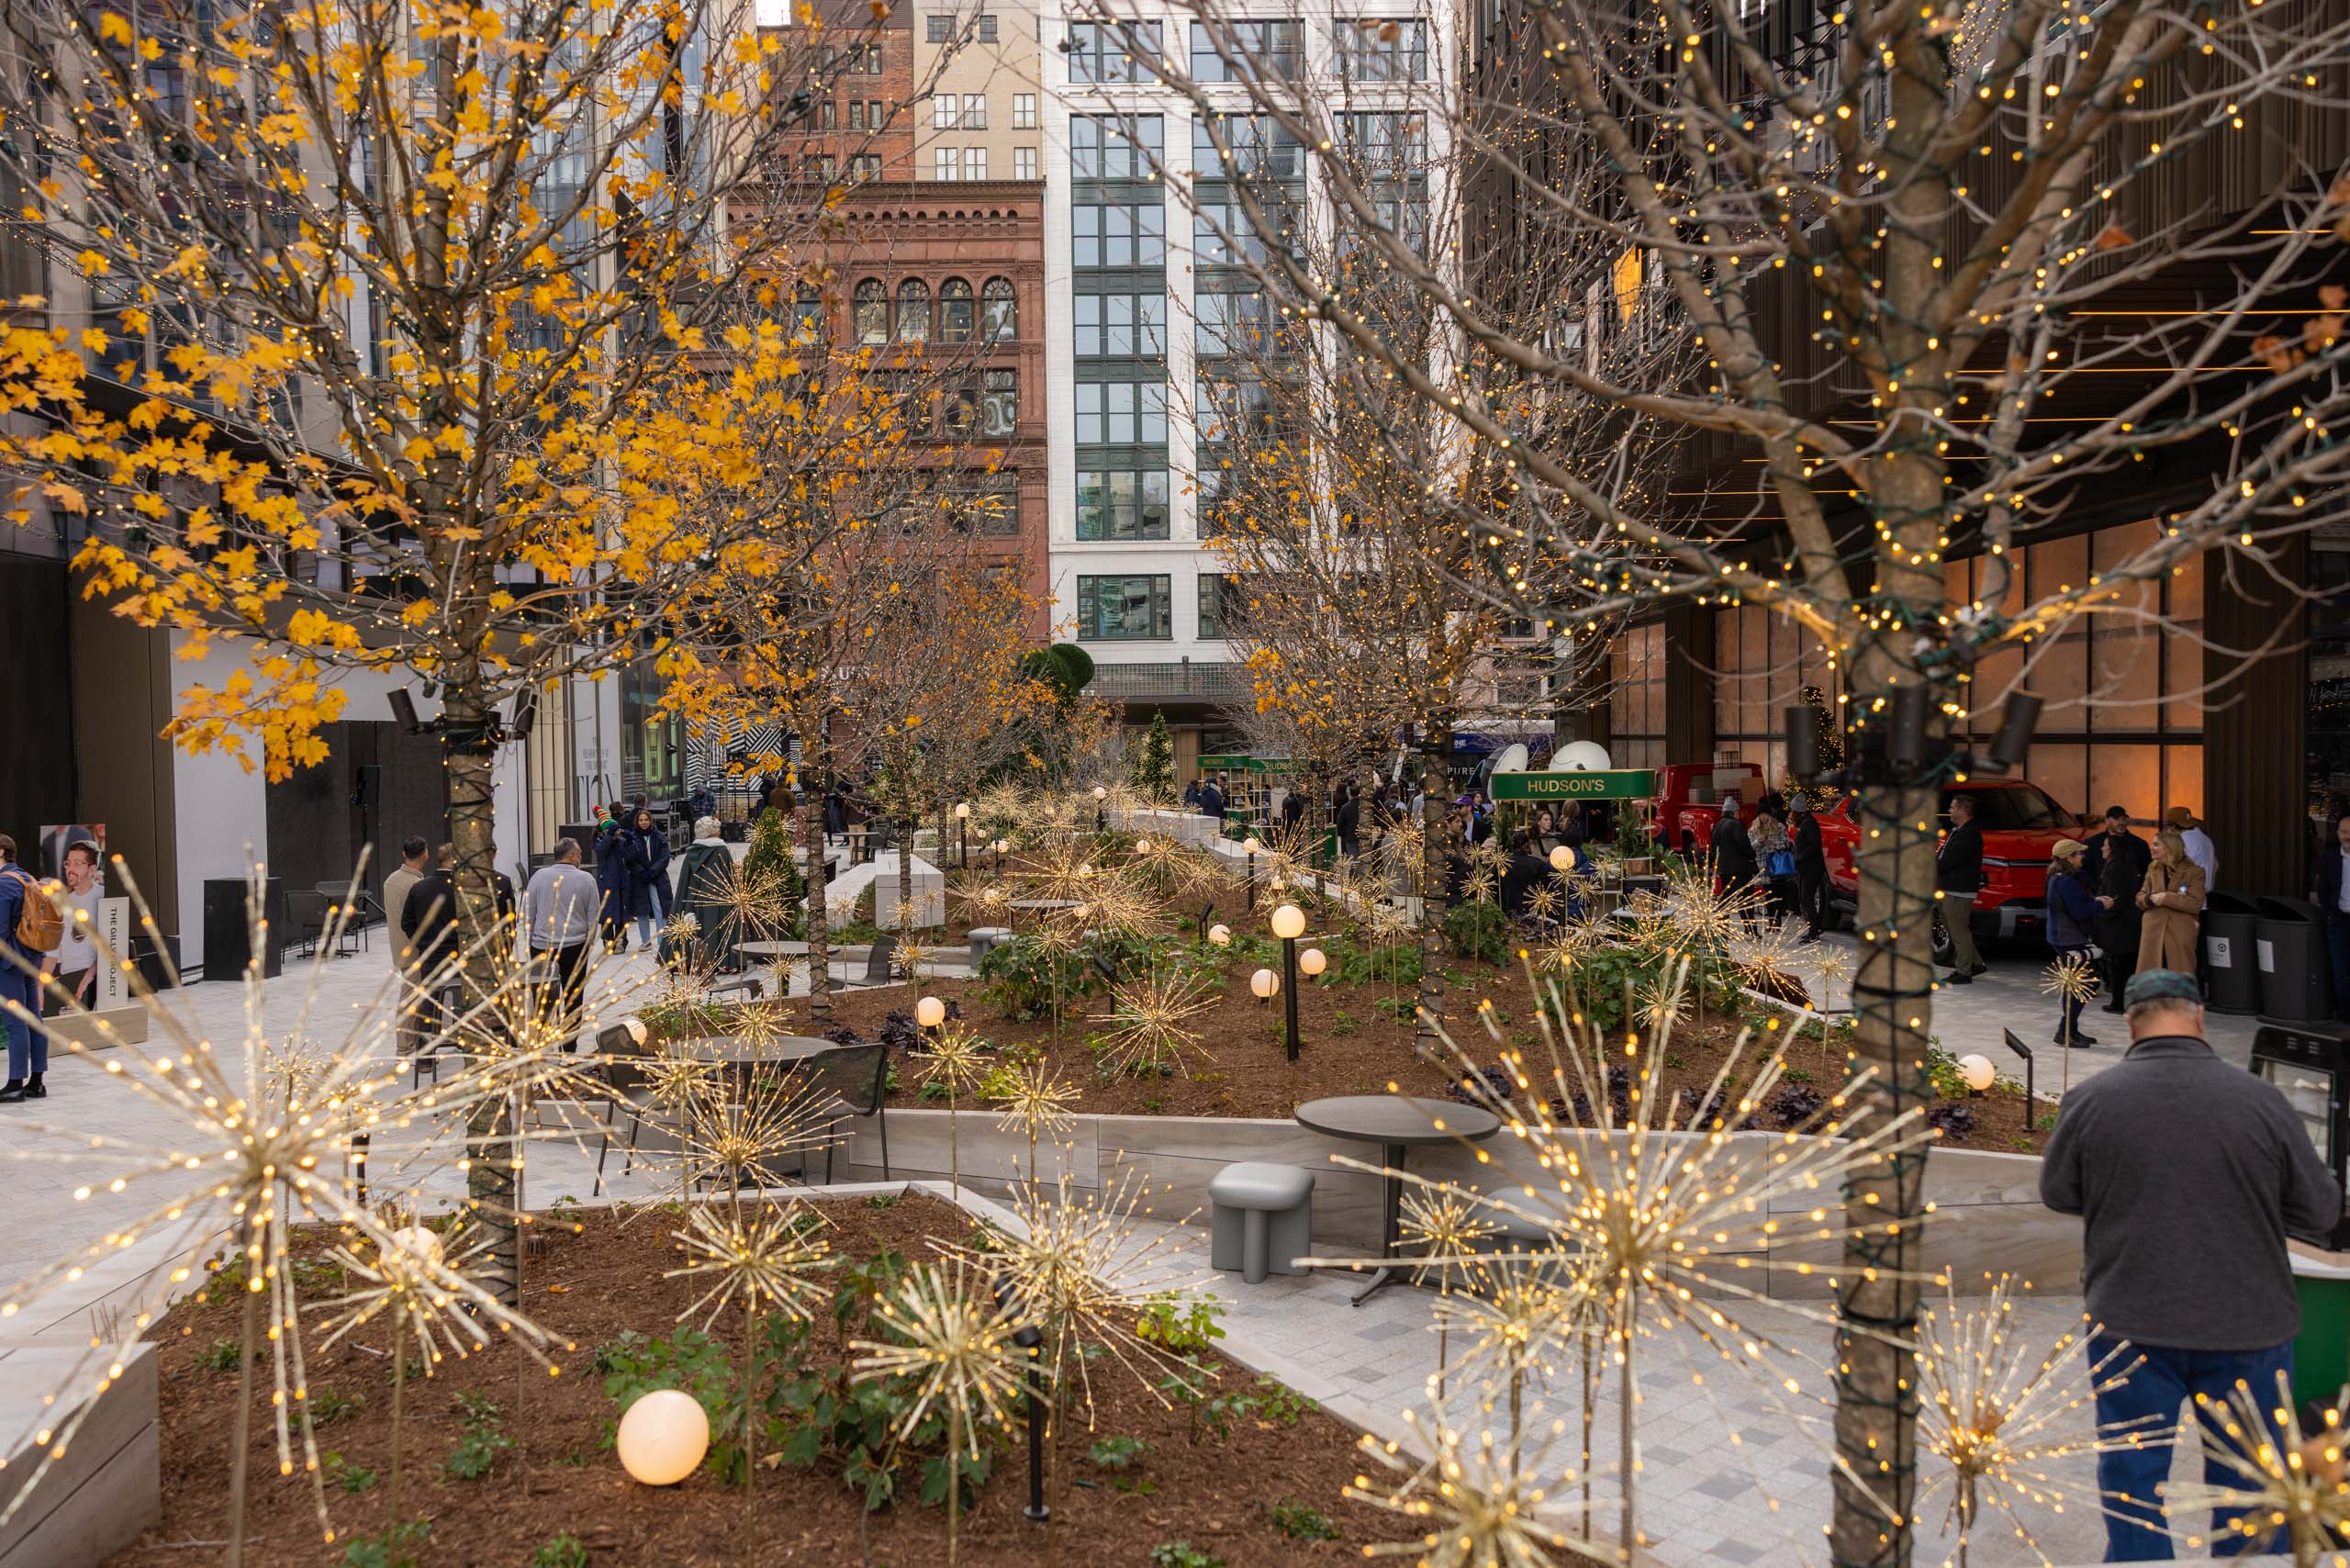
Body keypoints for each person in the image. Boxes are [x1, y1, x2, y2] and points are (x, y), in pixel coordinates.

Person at [2042, 969, 2342, 1562]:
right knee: (2252, 1486)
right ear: (2199, 1016)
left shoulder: (2092, 1100)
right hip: (2247, 1325)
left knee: (2133, 1483)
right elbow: (2321, 1209)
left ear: (2131, 1024)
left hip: (2129, 1322)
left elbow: (2059, 1192)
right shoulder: (2263, 1101)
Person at [402, 844, 517, 1033]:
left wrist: (423, 941)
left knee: (429, 1004)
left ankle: (424, 1057)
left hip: (432, 955)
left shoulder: (419, 888)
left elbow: (406, 922)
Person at [522, 838, 599, 1034]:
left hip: (542, 945)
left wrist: (529, 939)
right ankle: (569, 1044)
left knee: (542, 997)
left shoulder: (538, 877)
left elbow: (528, 912)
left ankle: (543, 1038)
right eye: (579, 853)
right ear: (572, 855)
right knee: (573, 997)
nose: (581, 857)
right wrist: (588, 944)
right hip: (575, 945)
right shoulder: (586, 879)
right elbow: (593, 916)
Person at [0, 835, 55, 1103]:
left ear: (1, 852)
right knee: (34, 1020)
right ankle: (37, 1082)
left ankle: (14, 1084)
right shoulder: (27, 878)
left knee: (15, 1024)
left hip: (9, 962)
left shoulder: (3, 883)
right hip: (31, 959)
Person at [2044, 838, 2110, 1046]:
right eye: (2078, 854)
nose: (2082, 857)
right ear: (2068, 857)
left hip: (2061, 936)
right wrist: (2101, 906)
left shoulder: (2056, 877)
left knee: (2078, 984)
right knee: (2082, 985)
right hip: (2070, 938)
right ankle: (2065, 1032)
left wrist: (2094, 902)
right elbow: (2079, 911)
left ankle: (2070, 1030)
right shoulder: (2068, 881)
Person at [39, 840, 105, 1013]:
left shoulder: (103, 897)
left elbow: (111, 945)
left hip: (93, 975)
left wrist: (89, 977)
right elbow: (53, 952)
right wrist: (39, 987)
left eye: (77, 864)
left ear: (92, 869)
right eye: (68, 863)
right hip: (66, 976)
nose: (70, 869)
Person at [2095, 814, 2148, 1015]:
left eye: (2105, 846)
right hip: (2127, 925)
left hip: (2120, 926)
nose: (2102, 848)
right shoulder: (2124, 867)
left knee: (2120, 966)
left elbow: (2115, 900)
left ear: (2112, 849)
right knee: (2124, 965)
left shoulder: (2116, 869)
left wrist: (2101, 913)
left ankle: (2119, 1002)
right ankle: (2123, 1001)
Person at [382, 835, 431, 1055]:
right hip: (415, 951)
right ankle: (404, 1047)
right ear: (425, 854)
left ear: (404, 854)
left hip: (399, 948)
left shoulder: (391, 880)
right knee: (411, 997)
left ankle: (410, 1043)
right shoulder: (417, 886)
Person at [2136, 826, 2207, 976]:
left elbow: (2195, 904)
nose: (2151, 847)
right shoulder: (2153, 869)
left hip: (2179, 932)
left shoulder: (2195, 872)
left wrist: (2165, 898)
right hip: (2153, 933)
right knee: (2151, 980)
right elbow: (2140, 898)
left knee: (2179, 978)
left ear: (2170, 849)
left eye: (2156, 844)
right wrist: (2149, 898)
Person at [1936, 792, 1987, 985]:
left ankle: (1963, 971)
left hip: (1959, 890)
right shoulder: (1959, 830)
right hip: (1950, 887)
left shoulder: (1969, 834)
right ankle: (1975, 963)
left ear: (1963, 810)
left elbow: (1950, 861)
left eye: (1952, 807)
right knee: (1954, 928)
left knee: (1959, 931)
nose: (1949, 810)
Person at [2315, 812, 2350, 1025]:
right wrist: (2329, 914)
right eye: (2344, 832)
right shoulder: (2331, 857)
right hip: (2339, 923)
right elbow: (2323, 890)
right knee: (2341, 972)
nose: (2348, 836)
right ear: (2337, 834)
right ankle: (2345, 1018)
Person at [622, 806, 672, 949]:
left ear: (651, 821)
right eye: (641, 820)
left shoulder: (659, 837)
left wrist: (652, 872)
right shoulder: (633, 838)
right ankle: (645, 941)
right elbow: (629, 859)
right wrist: (641, 872)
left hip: (657, 877)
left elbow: (664, 858)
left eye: (646, 820)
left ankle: (662, 941)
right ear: (637, 822)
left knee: (660, 909)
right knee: (642, 910)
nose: (643, 822)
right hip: (640, 879)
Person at [596, 801, 639, 950]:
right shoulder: (600, 841)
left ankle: (621, 941)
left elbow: (632, 856)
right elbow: (602, 852)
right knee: (607, 914)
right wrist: (609, 836)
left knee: (621, 914)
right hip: (606, 883)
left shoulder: (621, 842)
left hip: (621, 883)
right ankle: (608, 941)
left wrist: (630, 839)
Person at [1789, 795, 1829, 940]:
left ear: (1799, 812)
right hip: (1806, 867)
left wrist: (1800, 857)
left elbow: (1814, 844)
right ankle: (1814, 928)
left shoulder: (1808, 824)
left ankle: (1814, 931)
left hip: (1811, 868)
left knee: (1807, 898)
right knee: (1805, 898)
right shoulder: (1804, 824)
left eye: (1793, 811)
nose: (1791, 814)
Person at [1750, 808, 1796, 919]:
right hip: (1762, 865)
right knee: (1768, 895)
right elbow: (1750, 847)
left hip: (1777, 864)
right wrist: (1758, 842)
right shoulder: (1753, 829)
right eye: (1761, 815)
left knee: (1778, 895)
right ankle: (1771, 922)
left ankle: (1777, 921)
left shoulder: (1779, 827)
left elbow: (1786, 844)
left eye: (1766, 814)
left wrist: (1773, 843)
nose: (1764, 818)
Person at [1710, 810, 1758, 902]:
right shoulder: (1736, 825)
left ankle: (1724, 916)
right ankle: (1747, 916)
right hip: (1740, 869)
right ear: (1733, 812)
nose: (1739, 814)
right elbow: (1743, 844)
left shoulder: (1717, 826)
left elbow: (1713, 848)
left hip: (1723, 868)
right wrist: (1752, 855)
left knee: (1726, 897)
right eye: (1738, 812)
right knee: (1744, 898)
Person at [2165, 804, 2217, 890]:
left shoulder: (2182, 841)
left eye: (2167, 825)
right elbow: (2215, 865)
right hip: (2203, 896)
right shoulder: (2206, 839)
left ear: (2173, 826)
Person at [1333, 781, 1361, 863]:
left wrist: (1341, 834)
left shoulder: (1346, 807)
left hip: (1350, 836)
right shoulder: (1365, 807)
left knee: (1353, 861)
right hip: (1363, 835)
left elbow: (1340, 823)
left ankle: (1355, 875)